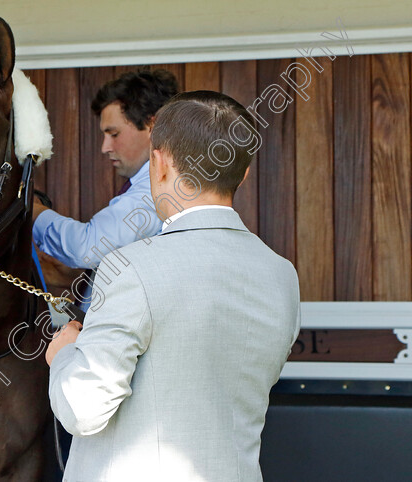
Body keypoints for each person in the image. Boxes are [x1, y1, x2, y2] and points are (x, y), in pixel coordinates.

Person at [46, 91, 301, 480]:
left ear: (158, 162)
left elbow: (83, 408)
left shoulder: (130, 267)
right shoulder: (282, 275)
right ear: (244, 173)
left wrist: (63, 355)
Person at [32, 69, 179, 307]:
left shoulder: (158, 190)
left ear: (153, 126)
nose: (105, 147)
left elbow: (87, 247)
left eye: (114, 133)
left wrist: (34, 213)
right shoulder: (152, 184)